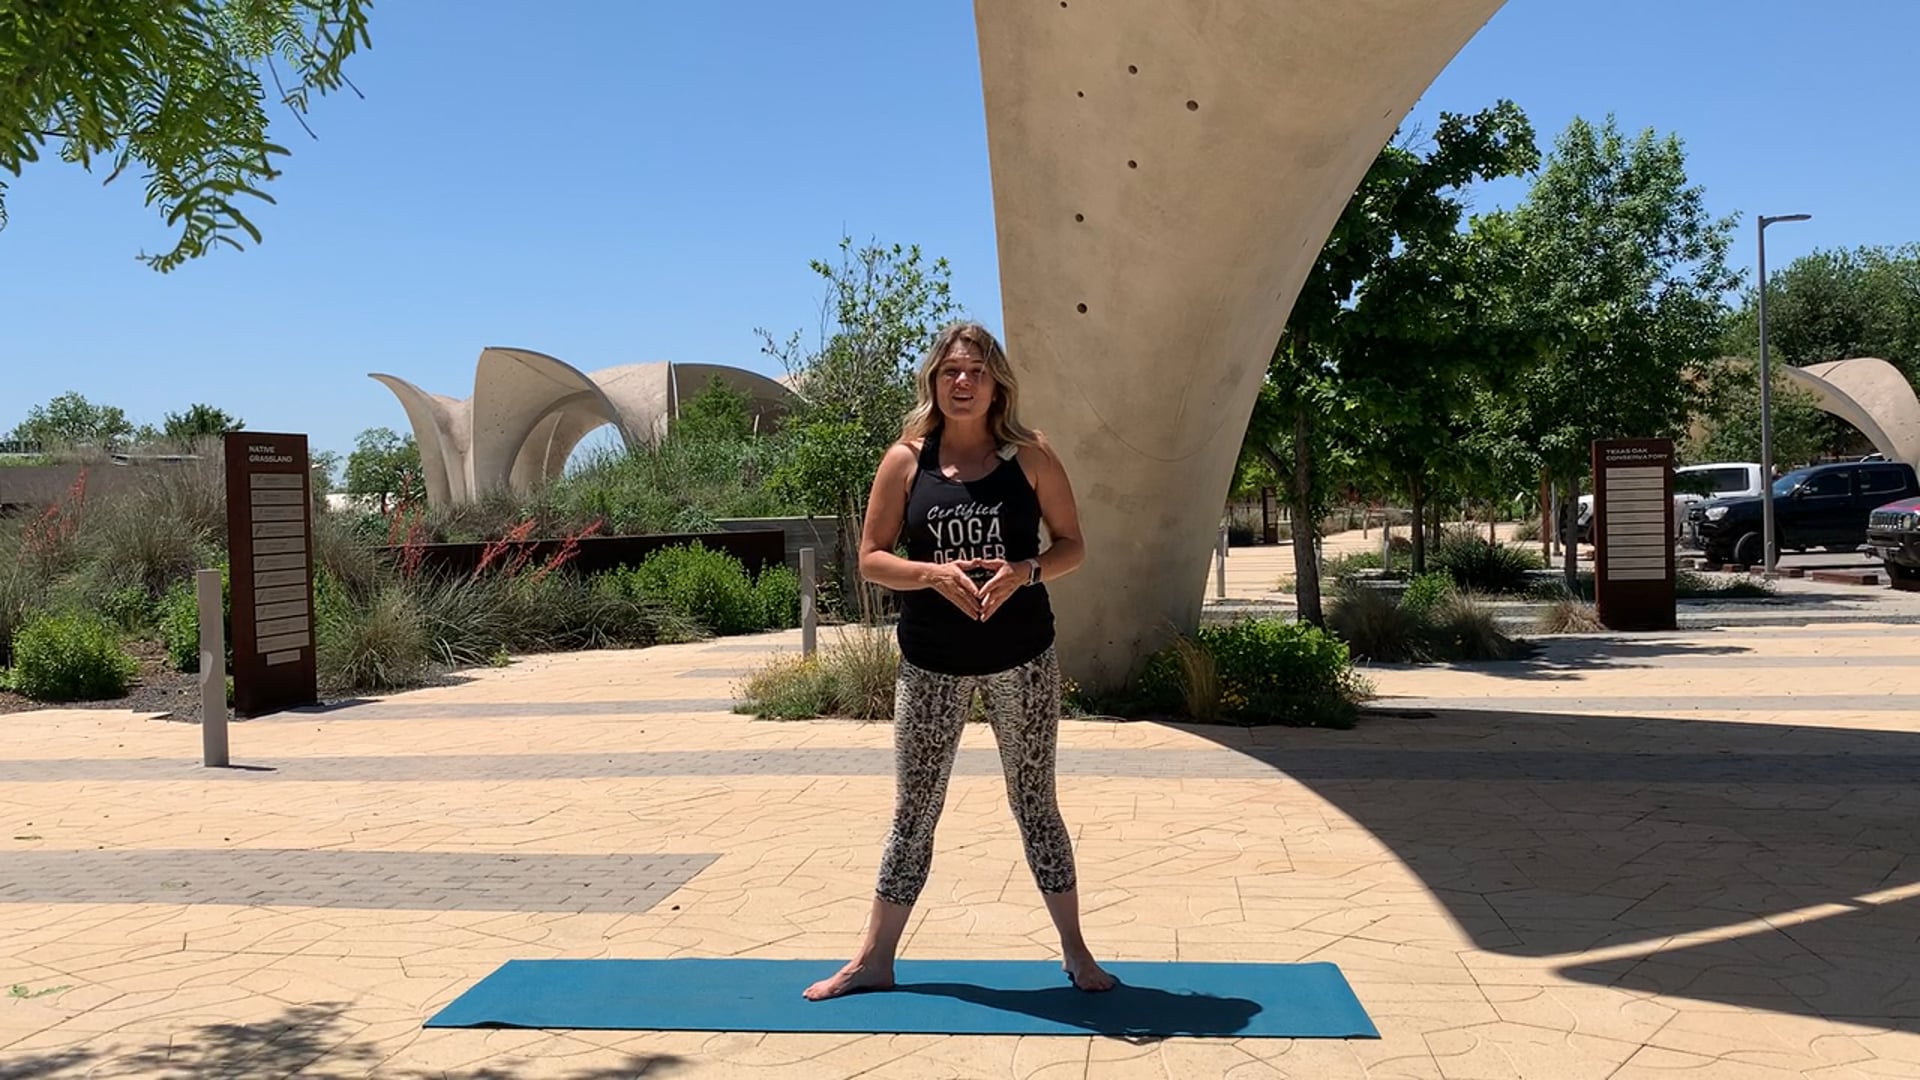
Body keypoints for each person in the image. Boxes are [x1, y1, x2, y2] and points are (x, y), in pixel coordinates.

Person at [802, 321, 1115, 1000]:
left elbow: (1072, 545)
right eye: (951, 373)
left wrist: (1025, 570)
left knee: (1036, 804)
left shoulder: (1030, 456)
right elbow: (871, 558)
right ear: (934, 384)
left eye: (975, 371)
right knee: (914, 810)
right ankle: (873, 961)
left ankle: (1077, 953)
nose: (964, 383)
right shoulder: (905, 461)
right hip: (930, 661)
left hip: (1021, 658)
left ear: (997, 381)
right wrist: (931, 576)